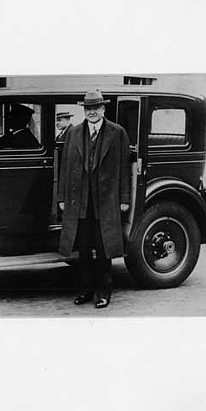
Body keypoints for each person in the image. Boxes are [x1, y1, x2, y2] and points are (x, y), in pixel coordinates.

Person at [57, 90, 130, 308]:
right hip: (80, 202)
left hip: (105, 201)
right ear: (84, 111)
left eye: (96, 108)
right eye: (88, 109)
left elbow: (124, 168)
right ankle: (85, 290)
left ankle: (103, 293)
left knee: (104, 249)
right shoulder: (74, 133)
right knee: (84, 249)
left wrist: (124, 197)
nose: (92, 112)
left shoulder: (117, 133)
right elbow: (65, 168)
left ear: (103, 109)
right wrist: (62, 196)